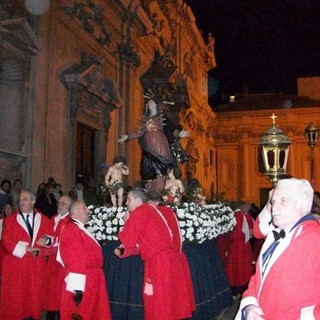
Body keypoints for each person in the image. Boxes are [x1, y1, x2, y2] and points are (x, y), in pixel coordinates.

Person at [235, 178, 320, 320]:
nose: (274, 207)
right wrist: (249, 306)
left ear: (303, 205)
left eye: (283, 201)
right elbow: (257, 280)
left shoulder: (315, 238)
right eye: (273, 202)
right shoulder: (274, 236)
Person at [115, 188, 195, 320]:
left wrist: (126, 221)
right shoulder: (151, 210)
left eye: (128, 199)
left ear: (138, 200)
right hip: (168, 258)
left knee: (159, 299)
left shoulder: (140, 212)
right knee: (168, 298)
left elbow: (128, 240)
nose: (126, 203)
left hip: (159, 262)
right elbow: (143, 242)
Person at [1, 190, 54, 319]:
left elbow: (52, 237)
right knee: (16, 300)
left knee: (34, 298)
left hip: (35, 266)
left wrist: (47, 239)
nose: (21, 202)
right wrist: (27, 250)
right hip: (16, 266)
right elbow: (6, 241)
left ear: (33, 201)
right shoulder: (10, 220)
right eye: (20, 200)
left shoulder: (43, 219)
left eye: (25, 199)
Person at [118, 98, 189, 192]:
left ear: (157, 105)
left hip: (160, 145)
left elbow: (171, 128)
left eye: (153, 102)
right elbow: (139, 132)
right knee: (146, 167)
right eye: (149, 103)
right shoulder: (145, 120)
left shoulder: (162, 117)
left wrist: (179, 134)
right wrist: (128, 136)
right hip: (148, 147)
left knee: (160, 167)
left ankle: (159, 191)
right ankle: (149, 191)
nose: (150, 104)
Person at [58, 200, 111, 320]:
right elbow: (75, 258)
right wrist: (77, 289)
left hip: (90, 278)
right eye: (84, 207)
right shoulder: (72, 229)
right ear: (75, 212)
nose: (88, 210)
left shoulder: (78, 228)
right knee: (83, 312)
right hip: (83, 280)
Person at [40, 195, 73, 320]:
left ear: (70, 206)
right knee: (49, 291)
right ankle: (50, 314)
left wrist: (49, 241)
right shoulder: (53, 219)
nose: (59, 205)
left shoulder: (70, 221)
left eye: (63, 203)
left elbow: (63, 240)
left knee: (59, 292)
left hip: (62, 262)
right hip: (50, 261)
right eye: (59, 203)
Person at [225, 201, 254, 298]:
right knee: (242, 267)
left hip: (234, 245)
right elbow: (247, 232)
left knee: (233, 268)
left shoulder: (233, 216)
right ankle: (242, 288)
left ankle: (234, 289)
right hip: (242, 245)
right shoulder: (242, 216)